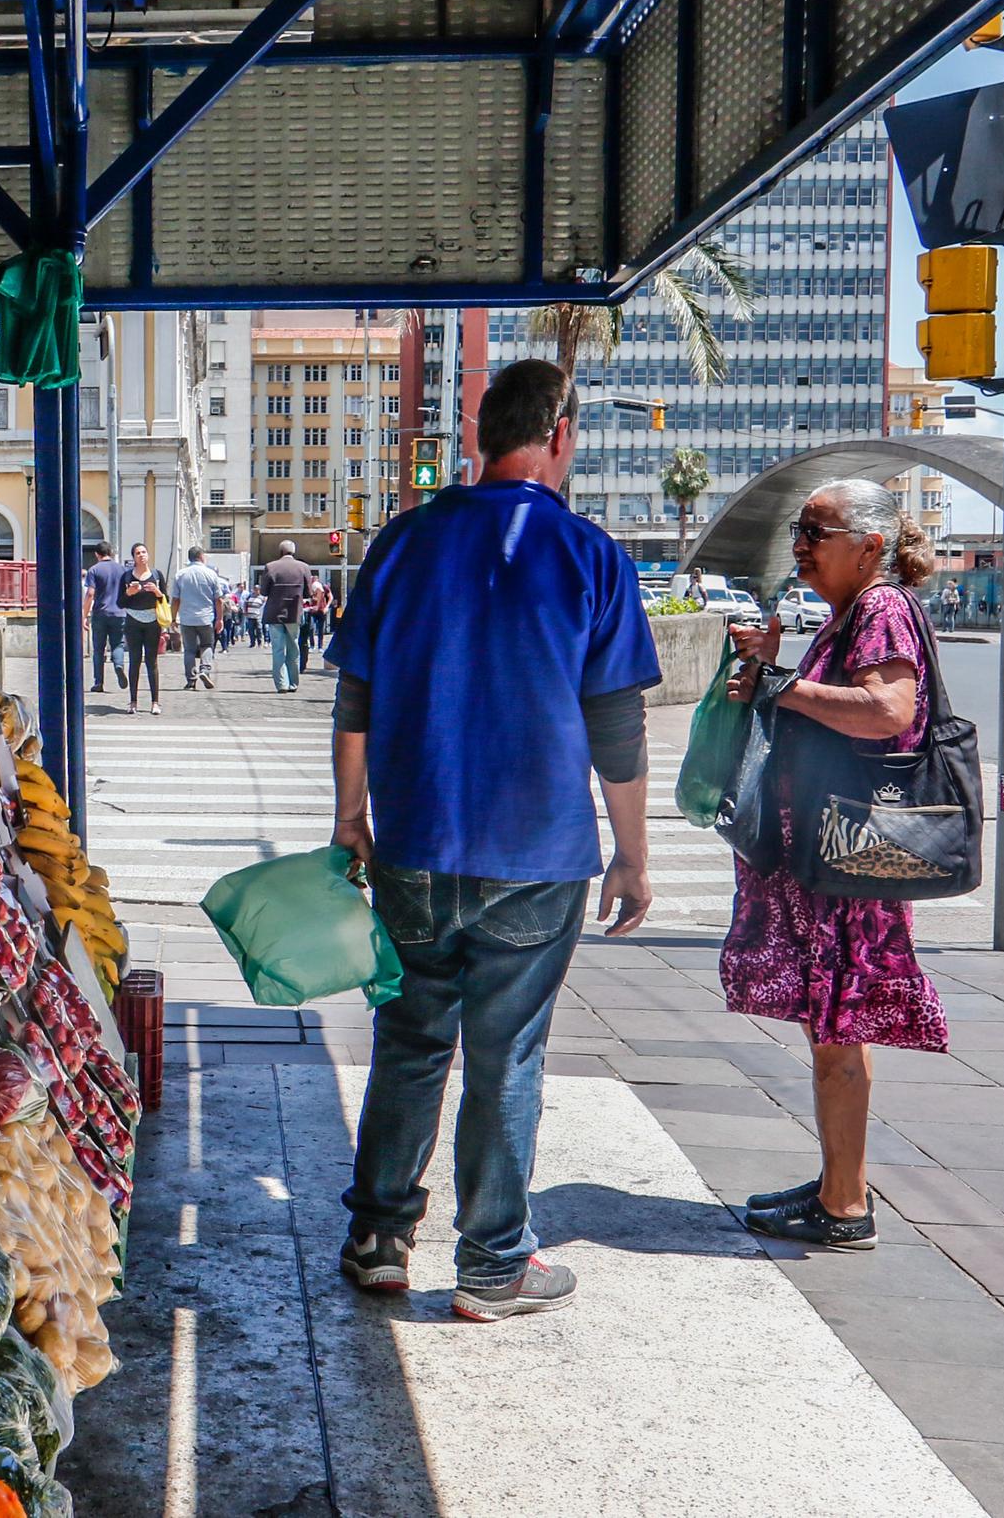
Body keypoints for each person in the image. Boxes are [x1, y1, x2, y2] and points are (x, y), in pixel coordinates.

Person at [329, 359, 658, 1320]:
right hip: (538, 853)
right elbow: (617, 729)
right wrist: (633, 855)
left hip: (415, 843)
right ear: (560, 434)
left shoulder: (403, 543)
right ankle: (493, 1264)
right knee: (506, 1053)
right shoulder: (593, 556)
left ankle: (380, 1238)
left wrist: (353, 816)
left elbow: (357, 696)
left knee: (410, 1036)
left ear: (480, 433)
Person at [721, 478, 950, 1252]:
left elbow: (890, 709)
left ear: (870, 545)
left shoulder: (882, 608)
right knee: (832, 1030)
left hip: (851, 864)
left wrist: (785, 687)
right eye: (800, 532)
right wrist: (780, 672)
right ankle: (836, 1185)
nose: (800, 547)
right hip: (837, 857)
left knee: (837, 1030)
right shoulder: (855, 611)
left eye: (816, 532)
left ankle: (847, 1204)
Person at [117, 543, 167, 715]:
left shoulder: (156, 574)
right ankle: (133, 701)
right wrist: (129, 593)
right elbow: (120, 603)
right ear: (133, 557)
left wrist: (157, 592)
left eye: (144, 552)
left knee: (151, 662)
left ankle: (155, 702)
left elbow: (164, 599)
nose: (141, 555)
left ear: (148, 555)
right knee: (134, 660)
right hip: (133, 621)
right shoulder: (126, 577)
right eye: (138, 553)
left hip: (153, 622)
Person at [260, 540, 313, 692]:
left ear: (280, 551)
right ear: (293, 552)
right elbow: (308, 593)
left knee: (278, 649)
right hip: (294, 612)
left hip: (274, 613)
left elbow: (264, 591)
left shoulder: (270, 567)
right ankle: (293, 683)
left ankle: (281, 684)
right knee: (293, 648)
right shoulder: (304, 567)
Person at [172, 548, 229, 690]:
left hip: (186, 619)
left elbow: (175, 599)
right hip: (205, 618)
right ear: (202, 557)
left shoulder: (180, 574)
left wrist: (173, 618)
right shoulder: (211, 574)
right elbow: (219, 600)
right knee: (207, 645)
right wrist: (219, 619)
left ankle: (191, 680)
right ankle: (204, 670)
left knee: (189, 650)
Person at [83, 543, 127, 693]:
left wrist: (84, 615)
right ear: (111, 553)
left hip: (100, 613)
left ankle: (98, 682)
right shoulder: (122, 569)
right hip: (120, 612)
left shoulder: (94, 570)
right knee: (118, 644)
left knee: (98, 649)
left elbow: (90, 593)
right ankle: (119, 665)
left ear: (97, 554)